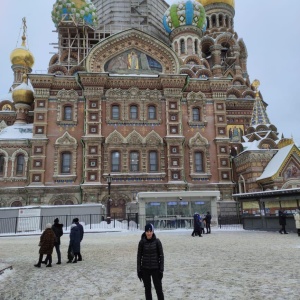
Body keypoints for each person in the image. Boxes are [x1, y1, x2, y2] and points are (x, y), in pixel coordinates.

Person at [137, 223, 164, 300]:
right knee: (147, 290)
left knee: (159, 290)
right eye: (147, 231)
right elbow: (139, 257)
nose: (149, 233)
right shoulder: (141, 242)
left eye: (150, 231)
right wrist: (139, 270)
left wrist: (161, 270)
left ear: (153, 231)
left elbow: (161, 256)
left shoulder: (157, 242)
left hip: (156, 269)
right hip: (145, 269)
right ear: (145, 232)